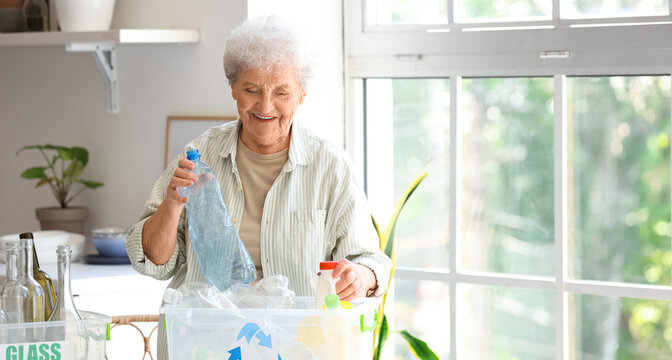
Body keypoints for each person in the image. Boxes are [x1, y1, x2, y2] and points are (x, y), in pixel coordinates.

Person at [126, 15, 392, 359]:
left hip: (297, 348)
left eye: (281, 92)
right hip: (203, 346)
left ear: (301, 95)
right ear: (234, 89)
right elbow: (153, 261)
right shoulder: (199, 155)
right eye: (251, 90)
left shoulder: (331, 167)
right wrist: (172, 205)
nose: (265, 106)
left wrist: (360, 276)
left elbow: (371, 260)